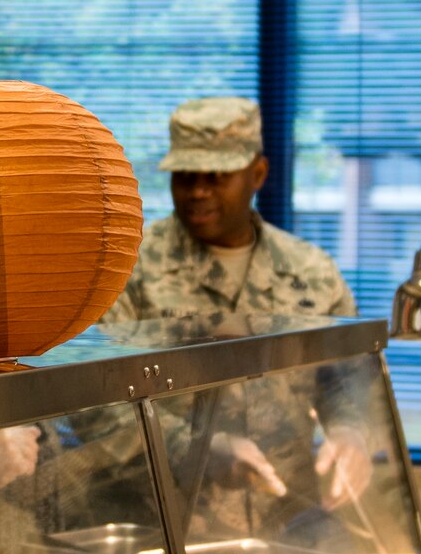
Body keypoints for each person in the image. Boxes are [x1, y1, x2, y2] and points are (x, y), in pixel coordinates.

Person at [103, 96, 371, 521]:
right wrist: (195, 447)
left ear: (258, 174)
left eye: (216, 176)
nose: (197, 192)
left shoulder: (312, 273)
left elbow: (346, 382)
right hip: (170, 529)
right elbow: (98, 405)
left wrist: (350, 434)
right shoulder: (127, 271)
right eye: (184, 177)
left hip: (287, 522)